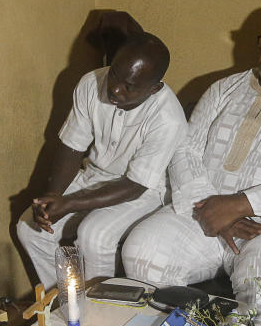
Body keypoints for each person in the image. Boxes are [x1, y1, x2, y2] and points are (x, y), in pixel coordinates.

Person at [122, 10, 261, 316]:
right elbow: (185, 148)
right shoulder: (224, 89)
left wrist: (239, 205)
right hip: (203, 210)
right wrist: (213, 208)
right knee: (142, 249)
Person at [16, 33, 186, 287]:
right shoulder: (90, 82)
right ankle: (67, 301)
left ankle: (101, 314)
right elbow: (71, 147)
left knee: (94, 236)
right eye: (115, 74)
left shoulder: (168, 119)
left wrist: (69, 202)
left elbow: (135, 185)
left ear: (154, 89)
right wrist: (54, 196)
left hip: (144, 190)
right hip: (95, 174)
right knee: (30, 228)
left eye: (129, 86)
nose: (115, 88)